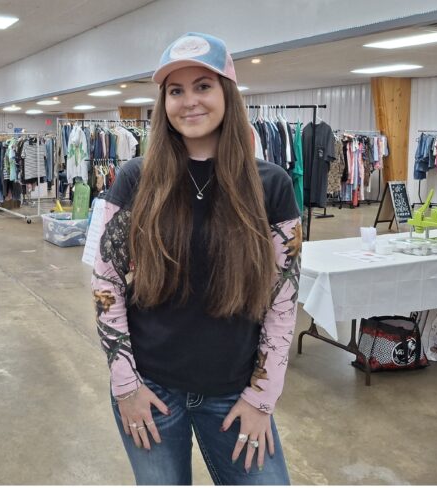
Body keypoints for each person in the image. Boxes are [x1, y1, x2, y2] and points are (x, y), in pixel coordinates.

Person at [91, 32, 301, 485]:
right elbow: (106, 280)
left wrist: (262, 396)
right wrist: (125, 385)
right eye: (176, 90)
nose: (190, 102)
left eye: (203, 86)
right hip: (150, 390)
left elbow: (283, 298)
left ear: (227, 92)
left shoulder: (271, 184)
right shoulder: (134, 178)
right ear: (163, 101)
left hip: (234, 392)